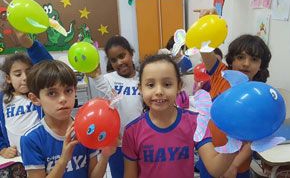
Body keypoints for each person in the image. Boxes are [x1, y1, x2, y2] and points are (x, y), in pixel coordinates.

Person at [122, 54, 238, 178]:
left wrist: (236, 140)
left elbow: (215, 169)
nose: (159, 91)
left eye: (167, 84)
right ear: (140, 88)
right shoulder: (132, 132)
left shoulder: (195, 122)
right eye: (150, 85)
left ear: (179, 87)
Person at [194, 8, 272, 178]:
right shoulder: (220, 76)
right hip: (210, 159)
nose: (246, 64)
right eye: (240, 57)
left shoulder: (259, 96)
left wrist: (233, 166)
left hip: (238, 167)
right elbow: (206, 48)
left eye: (254, 59)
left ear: (261, 65)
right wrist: (207, 22)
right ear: (232, 59)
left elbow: (253, 139)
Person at [20, 60, 118, 178]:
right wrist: (64, 160)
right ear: (35, 99)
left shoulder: (86, 129)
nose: (62, 99)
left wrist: (105, 156)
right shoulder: (31, 139)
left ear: (75, 90)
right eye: (52, 93)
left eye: (68, 91)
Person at [86, 35, 143, 178]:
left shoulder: (143, 78)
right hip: (117, 144)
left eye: (122, 56)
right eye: (113, 60)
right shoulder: (108, 80)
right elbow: (108, 97)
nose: (119, 62)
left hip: (141, 141)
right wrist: (96, 76)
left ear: (131, 53)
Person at [0, 30, 52, 158]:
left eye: (29, 72)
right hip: (16, 157)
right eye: (18, 74)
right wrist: (2, 149)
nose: (24, 78)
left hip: (42, 153)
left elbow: (49, 66)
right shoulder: (2, 98)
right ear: (8, 78)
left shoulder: (39, 93)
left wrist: (31, 45)